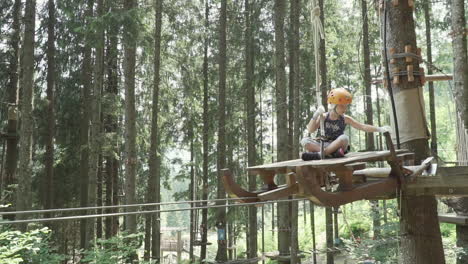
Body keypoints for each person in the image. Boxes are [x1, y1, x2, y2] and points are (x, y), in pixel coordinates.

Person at [301, 88, 391, 160]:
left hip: (337, 145)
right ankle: (329, 154)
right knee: (304, 141)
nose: (345, 108)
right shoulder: (323, 117)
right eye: (342, 106)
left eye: (346, 106)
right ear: (333, 105)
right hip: (323, 145)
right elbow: (310, 129)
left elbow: (362, 126)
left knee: (344, 138)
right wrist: (316, 115)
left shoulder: (345, 119)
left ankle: (321, 154)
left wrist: (379, 129)